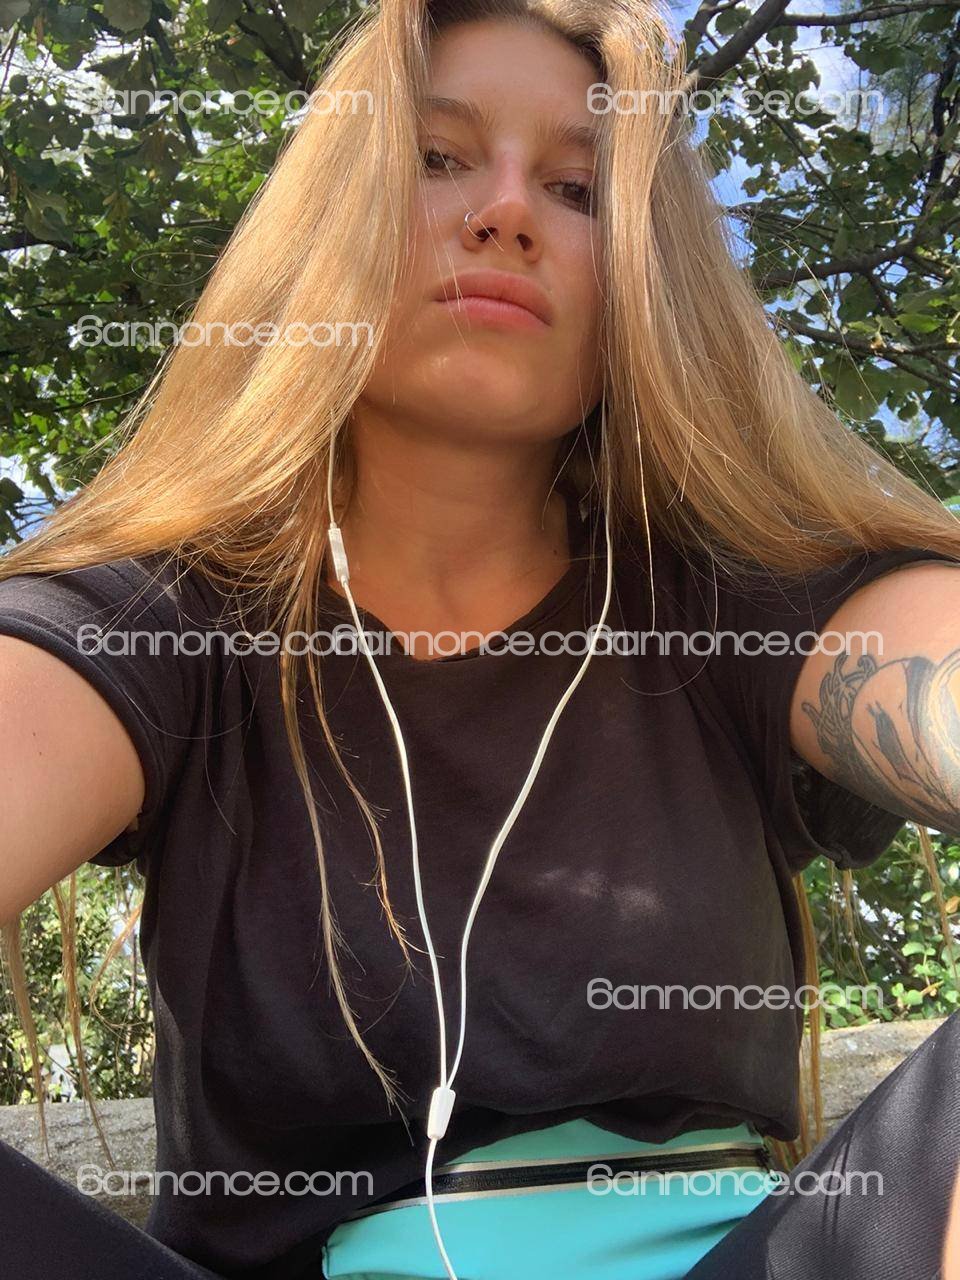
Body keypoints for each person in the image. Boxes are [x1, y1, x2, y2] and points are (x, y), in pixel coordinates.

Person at [1, 0, 959, 1277]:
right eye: (438, 156)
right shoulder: (163, 619)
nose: (507, 212)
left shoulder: (733, 601)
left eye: (577, 189)